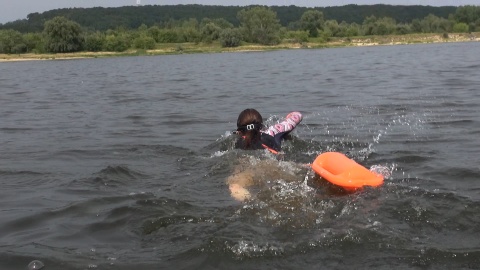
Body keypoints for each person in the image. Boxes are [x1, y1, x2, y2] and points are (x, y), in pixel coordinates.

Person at [228, 109, 303, 201]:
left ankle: (252, 203)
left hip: (248, 168)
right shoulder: (273, 131)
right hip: (275, 166)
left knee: (235, 186)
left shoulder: (236, 142)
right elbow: (297, 116)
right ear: (261, 126)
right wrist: (290, 116)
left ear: (239, 131)